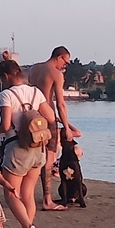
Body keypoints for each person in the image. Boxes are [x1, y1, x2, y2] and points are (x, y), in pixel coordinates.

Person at [0, 56, 53, 228]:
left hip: (17, 148)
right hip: (38, 149)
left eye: (1, 79)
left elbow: (6, 125)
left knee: (11, 193)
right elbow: (51, 117)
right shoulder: (35, 92)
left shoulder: (7, 95)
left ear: (6, 76)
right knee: (28, 194)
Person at [28, 46, 81, 209]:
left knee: (31, 155)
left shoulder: (34, 69)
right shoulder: (56, 74)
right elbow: (61, 104)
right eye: (65, 61)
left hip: (31, 115)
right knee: (48, 160)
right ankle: (47, 200)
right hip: (48, 116)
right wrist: (66, 127)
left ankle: (26, 194)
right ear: (58, 57)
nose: (65, 66)